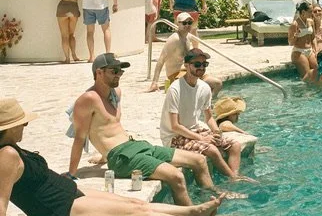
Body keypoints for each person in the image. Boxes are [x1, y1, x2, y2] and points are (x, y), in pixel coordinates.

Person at [0, 98, 224, 216]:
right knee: (137, 214)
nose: (24, 127)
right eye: (22, 124)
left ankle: (193, 211)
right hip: (59, 210)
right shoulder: (7, 155)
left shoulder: (12, 148)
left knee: (135, 203)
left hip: (66, 191)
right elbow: (2, 201)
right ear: (8, 128)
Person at [68, 53, 234, 205]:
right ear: (99, 72)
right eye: (114, 71)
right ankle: (194, 215)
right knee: (176, 176)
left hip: (136, 145)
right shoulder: (88, 99)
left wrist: (102, 156)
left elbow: (108, 129)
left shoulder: (115, 93)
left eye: (120, 71)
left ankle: (211, 199)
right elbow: (80, 138)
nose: (119, 74)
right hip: (121, 157)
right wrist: (71, 174)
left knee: (199, 161)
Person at [160, 49, 252, 180]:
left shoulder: (204, 88)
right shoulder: (175, 89)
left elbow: (209, 118)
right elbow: (175, 126)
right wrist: (201, 138)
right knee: (213, 150)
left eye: (204, 64)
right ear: (186, 66)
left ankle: (234, 176)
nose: (201, 67)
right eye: (197, 64)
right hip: (174, 136)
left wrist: (216, 132)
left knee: (235, 146)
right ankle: (234, 178)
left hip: (194, 130)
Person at [148, 13, 222, 97]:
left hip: (190, 72)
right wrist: (154, 82)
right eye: (184, 23)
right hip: (176, 75)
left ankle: (208, 105)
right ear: (177, 24)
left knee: (217, 84)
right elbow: (161, 59)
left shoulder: (188, 37)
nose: (187, 25)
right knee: (200, 87)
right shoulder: (174, 39)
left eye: (189, 23)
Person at [51, 0, 82, 64]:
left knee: (64, 36)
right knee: (71, 34)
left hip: (62, 8)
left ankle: (67, 58)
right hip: (73, 8)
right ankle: (74, 55)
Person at [288, 2, 315, 77]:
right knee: (307, 75)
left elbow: (313, 37)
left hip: (309, 51)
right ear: (303, 12)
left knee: (318, 72)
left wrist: (315, 49)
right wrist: (296, 36)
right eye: (310, 11)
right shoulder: (295, 24)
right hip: (299, 51)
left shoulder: (311, 22)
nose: (312, 13)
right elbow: (290, 43)